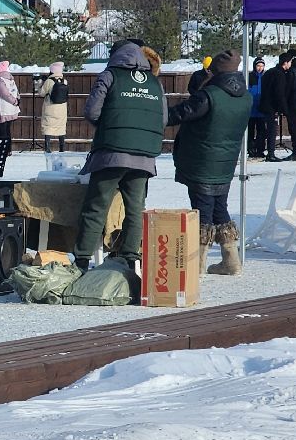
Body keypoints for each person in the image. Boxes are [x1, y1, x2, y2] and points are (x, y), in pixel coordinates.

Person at [73, 39, 167, 283]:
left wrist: (110, 127)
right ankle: (129, 259)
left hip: (111, 153)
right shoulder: (155, 82)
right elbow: (163, 118)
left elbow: (92, 112)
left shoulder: (109, 76)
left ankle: (82, 260)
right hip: (145, 157)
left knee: (96, 208)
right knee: (135, 211)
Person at [167, 50, 251, 276]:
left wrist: (154, 113)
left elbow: (182, 113)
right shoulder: (245, 96)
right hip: (225, 163)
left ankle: (198, 264)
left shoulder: (209, 95)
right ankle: (231, 261)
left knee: (202, 211)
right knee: (219, 208)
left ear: (215, 71)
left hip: (202, 161)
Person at [259, 51, 293, 161]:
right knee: (272, 130)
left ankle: (265, 150)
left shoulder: (269, 72)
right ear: (285, 63)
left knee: (267, 130)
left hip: (265, 104)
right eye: (290, 62)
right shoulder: (280, 75)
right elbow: (279, 94)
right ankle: (271, 153)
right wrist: (284, 109)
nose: (290, 64)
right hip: (272, 107)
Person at [37, 61, 69, 152]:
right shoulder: (65, 81)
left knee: (48, 127)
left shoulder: (49, 81)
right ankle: (62, 148)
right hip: (62, 109)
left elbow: (42, 93)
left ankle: (47, 148)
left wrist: (40, 83)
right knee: (61, 127)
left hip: (50, 108)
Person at [0, 60, 20, 140]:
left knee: (2, 133)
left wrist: (14, 101)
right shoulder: (11, 80)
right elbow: (16, 92)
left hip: (2, 110)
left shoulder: (0, 81)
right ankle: (8, 150)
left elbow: (5, 94)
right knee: (7, 131)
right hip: (11, 110)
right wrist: (17, 101)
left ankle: (4, 150)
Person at [247, 58, 269, 159]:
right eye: (258, 66)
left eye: (261, 66)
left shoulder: (266, 77)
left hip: (262, 109)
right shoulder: (250, 77)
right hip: (251, 109)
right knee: (250, 131)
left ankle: (260, 150)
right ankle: (251, 150)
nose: (260, 68)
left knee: (262, 131)